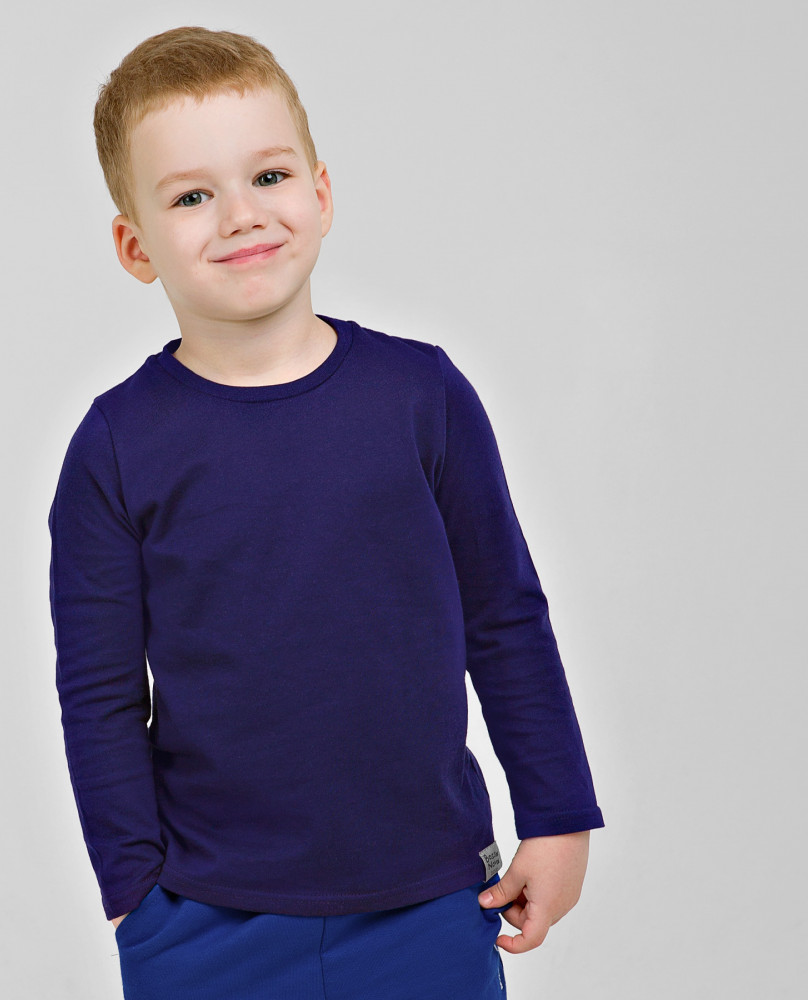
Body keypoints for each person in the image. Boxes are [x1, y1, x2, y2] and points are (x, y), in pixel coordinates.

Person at [48, 25, 603, 1000]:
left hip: (430, 902)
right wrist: (135, 896)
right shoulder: (116, 447)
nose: (240, 215)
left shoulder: (421, 397)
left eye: (268, 176)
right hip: (205, 920)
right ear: (136, 246)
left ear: (321, 193)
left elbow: (505, 616)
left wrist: (557, 814)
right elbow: (100, 694)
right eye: (190, 196)